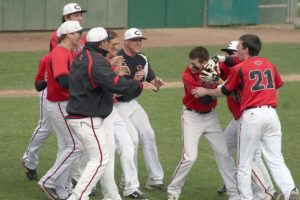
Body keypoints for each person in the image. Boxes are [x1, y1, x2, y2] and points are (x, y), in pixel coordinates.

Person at [191, 34, 300, 200]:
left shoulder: (240, 68)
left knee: (244, 163)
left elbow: (224, 91)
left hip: (252, 116)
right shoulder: (269, 64)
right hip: (271, 114)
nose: (236, 50)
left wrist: (205, 91)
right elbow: (277, 87)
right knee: (276, 159)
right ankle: (290, 190)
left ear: (246, 49)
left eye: (239, 46)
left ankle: (245, 198)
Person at [66, 27, 143, 200]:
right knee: (99, 159)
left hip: (83, 115)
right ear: (101, 43)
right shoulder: (96, 61)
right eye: (108, 41)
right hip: (87, 118)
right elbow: (114, 83)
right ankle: (78, 196)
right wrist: (136, 86)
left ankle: (112, 196)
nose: (110, 43)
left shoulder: (82, 56)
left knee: (102, 157)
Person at [167, 46, 238, 200]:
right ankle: (173, 191)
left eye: (195, 64)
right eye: (190, 63)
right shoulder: (187, 75)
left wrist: (218, 82)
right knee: (190, 157)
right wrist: (218, 88)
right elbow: (205, 99)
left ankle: (234, 193)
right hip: (191, 117)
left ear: (205, 62)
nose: (191, 67)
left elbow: (228, 79)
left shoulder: (213, 68)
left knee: (223, 153)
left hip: (210, 117)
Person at [216, 41, 279, 200]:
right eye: (229, 53)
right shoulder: (236, 67)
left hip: (249, 120)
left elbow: (229, 91)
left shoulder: (243, 69)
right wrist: (215, 63)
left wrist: (218, 82)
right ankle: (242, 184)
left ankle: (266, 193)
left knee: (250, 159)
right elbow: (220, 68)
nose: (231, 55)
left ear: (242, 53)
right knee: (222, 149)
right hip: (241, 120)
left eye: (233, 52)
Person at [115, 28, 165, 192]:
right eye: (135, 40)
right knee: (132, 139)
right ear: (126, 42)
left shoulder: (142, 59)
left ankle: (155, 180)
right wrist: (135, 81)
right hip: (118, 105)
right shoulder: (117, 59)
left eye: (140, 40)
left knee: (148, 134)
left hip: (133, 104)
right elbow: (118, 87)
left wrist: (156, 85)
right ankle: (126, 181)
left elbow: (151, 81)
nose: (139, 43)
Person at [38, 21, 84, 200]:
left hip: (64, 103)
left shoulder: (68, 52)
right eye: (78, 33)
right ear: (68, 35)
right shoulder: (59, 52)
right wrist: (84, 86)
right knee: (75, 146)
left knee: (67, 146)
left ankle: (61, 189)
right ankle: (48, 181)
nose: (80, 36)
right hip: (59, 104)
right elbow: (63, 80)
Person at [106, 30, 148, 199]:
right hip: (94, 112)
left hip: (111, 110)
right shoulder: (98, 62)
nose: (117, 48)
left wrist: (135, 84)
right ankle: (75, 180)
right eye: (113, 45)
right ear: (102, 44)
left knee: (129, 143)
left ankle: (131, 187)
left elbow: (120, 85)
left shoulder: (117, 61)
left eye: (117, 44)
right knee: (87, 150)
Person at [21, 53, 52, 181]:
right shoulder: (48, 58)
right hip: (49, 91)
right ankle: (29, 159)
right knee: (45, 127)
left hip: (68, 93)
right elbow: (38, 82)